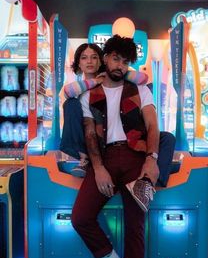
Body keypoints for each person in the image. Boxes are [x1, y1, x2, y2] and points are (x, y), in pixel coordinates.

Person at [71, 35, 175, 258]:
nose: (120, 65)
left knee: (135, 227)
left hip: (135, 155)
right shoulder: (88, 95)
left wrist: (152, 159)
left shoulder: (140, 89)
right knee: (80, 218)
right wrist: (99, 167)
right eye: (115, 58)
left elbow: (153, 126)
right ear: (106, 58)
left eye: (126, 61)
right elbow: (90, 135)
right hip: (104, 157)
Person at [60, 43, 149, 177]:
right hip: (86, 136)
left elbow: (143, 78)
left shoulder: (111, 76)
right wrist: (95, 81)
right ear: (78, 63)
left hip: (107, 137)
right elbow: (68, 92)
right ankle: (84, 158)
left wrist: (121, 72)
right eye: (84, 58)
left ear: (102, 60)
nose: (89, 61)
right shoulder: (81, 87)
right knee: (70, 104)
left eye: (94, 57)